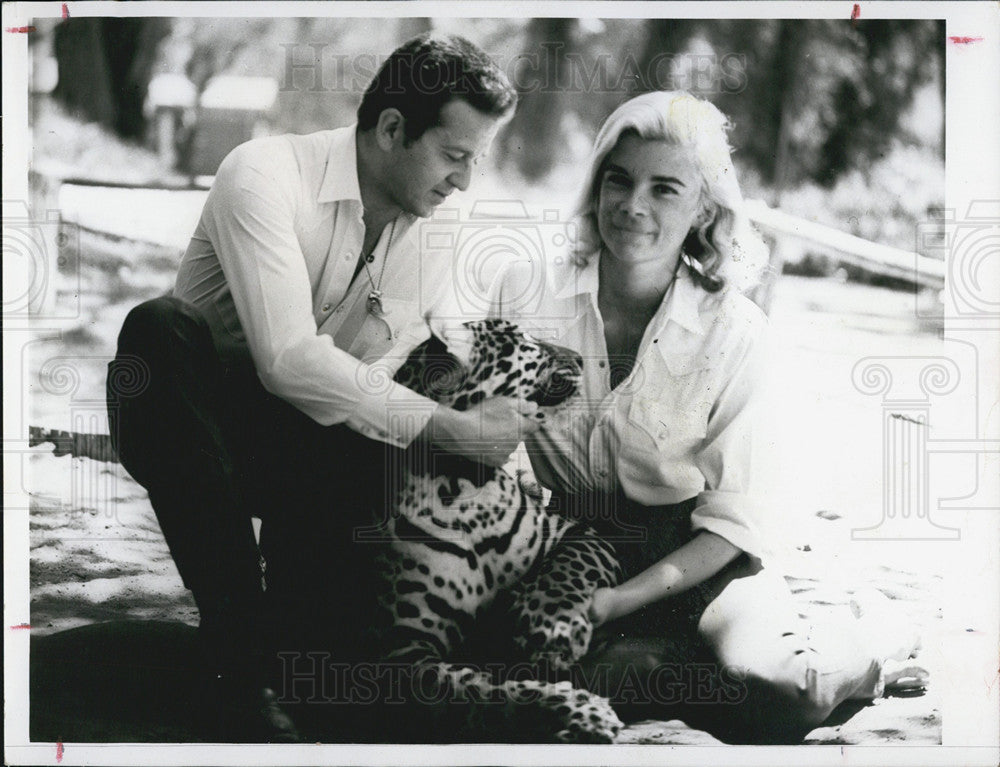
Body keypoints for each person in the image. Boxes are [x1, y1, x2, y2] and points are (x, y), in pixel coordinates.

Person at [105, 34, 532, 741]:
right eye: (455, 156)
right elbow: (288, 360)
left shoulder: (440, 222)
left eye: (475, 162)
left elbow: (407, 367)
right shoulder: (264, 174)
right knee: (158, 327)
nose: (463, 181)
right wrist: (445, 427)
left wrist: (496, 437)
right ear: (392, 128)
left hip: (307, 449)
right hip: (192, 426)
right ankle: (238, 642)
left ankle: (305, 640)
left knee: (325, 672)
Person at [491, 90, 928, 742]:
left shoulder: (736, 332)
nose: (633, 205)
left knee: (787, 692)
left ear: (704, 208)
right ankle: (651, 670)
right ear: (595, 186)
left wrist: (617, 602)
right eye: (619, 179)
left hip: (698, 557)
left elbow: (731, 524)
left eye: (665, 189)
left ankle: (859, 658)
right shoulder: (527, 292)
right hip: (569, 552)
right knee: (490, 671)